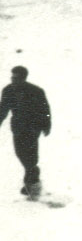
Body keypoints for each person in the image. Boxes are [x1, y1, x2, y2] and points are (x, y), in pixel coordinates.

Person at [0, 66, 51, 196]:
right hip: (18, 127)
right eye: (12, 77)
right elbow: (3, 109)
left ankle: (31, 184)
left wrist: (47, 125)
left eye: (16, 77)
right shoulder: (8, 90)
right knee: (21, 154)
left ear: (23, 78)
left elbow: (45, 109)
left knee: (30, 155)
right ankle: (33, 178)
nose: (13, 79)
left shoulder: (36, 91)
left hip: (33, 127)